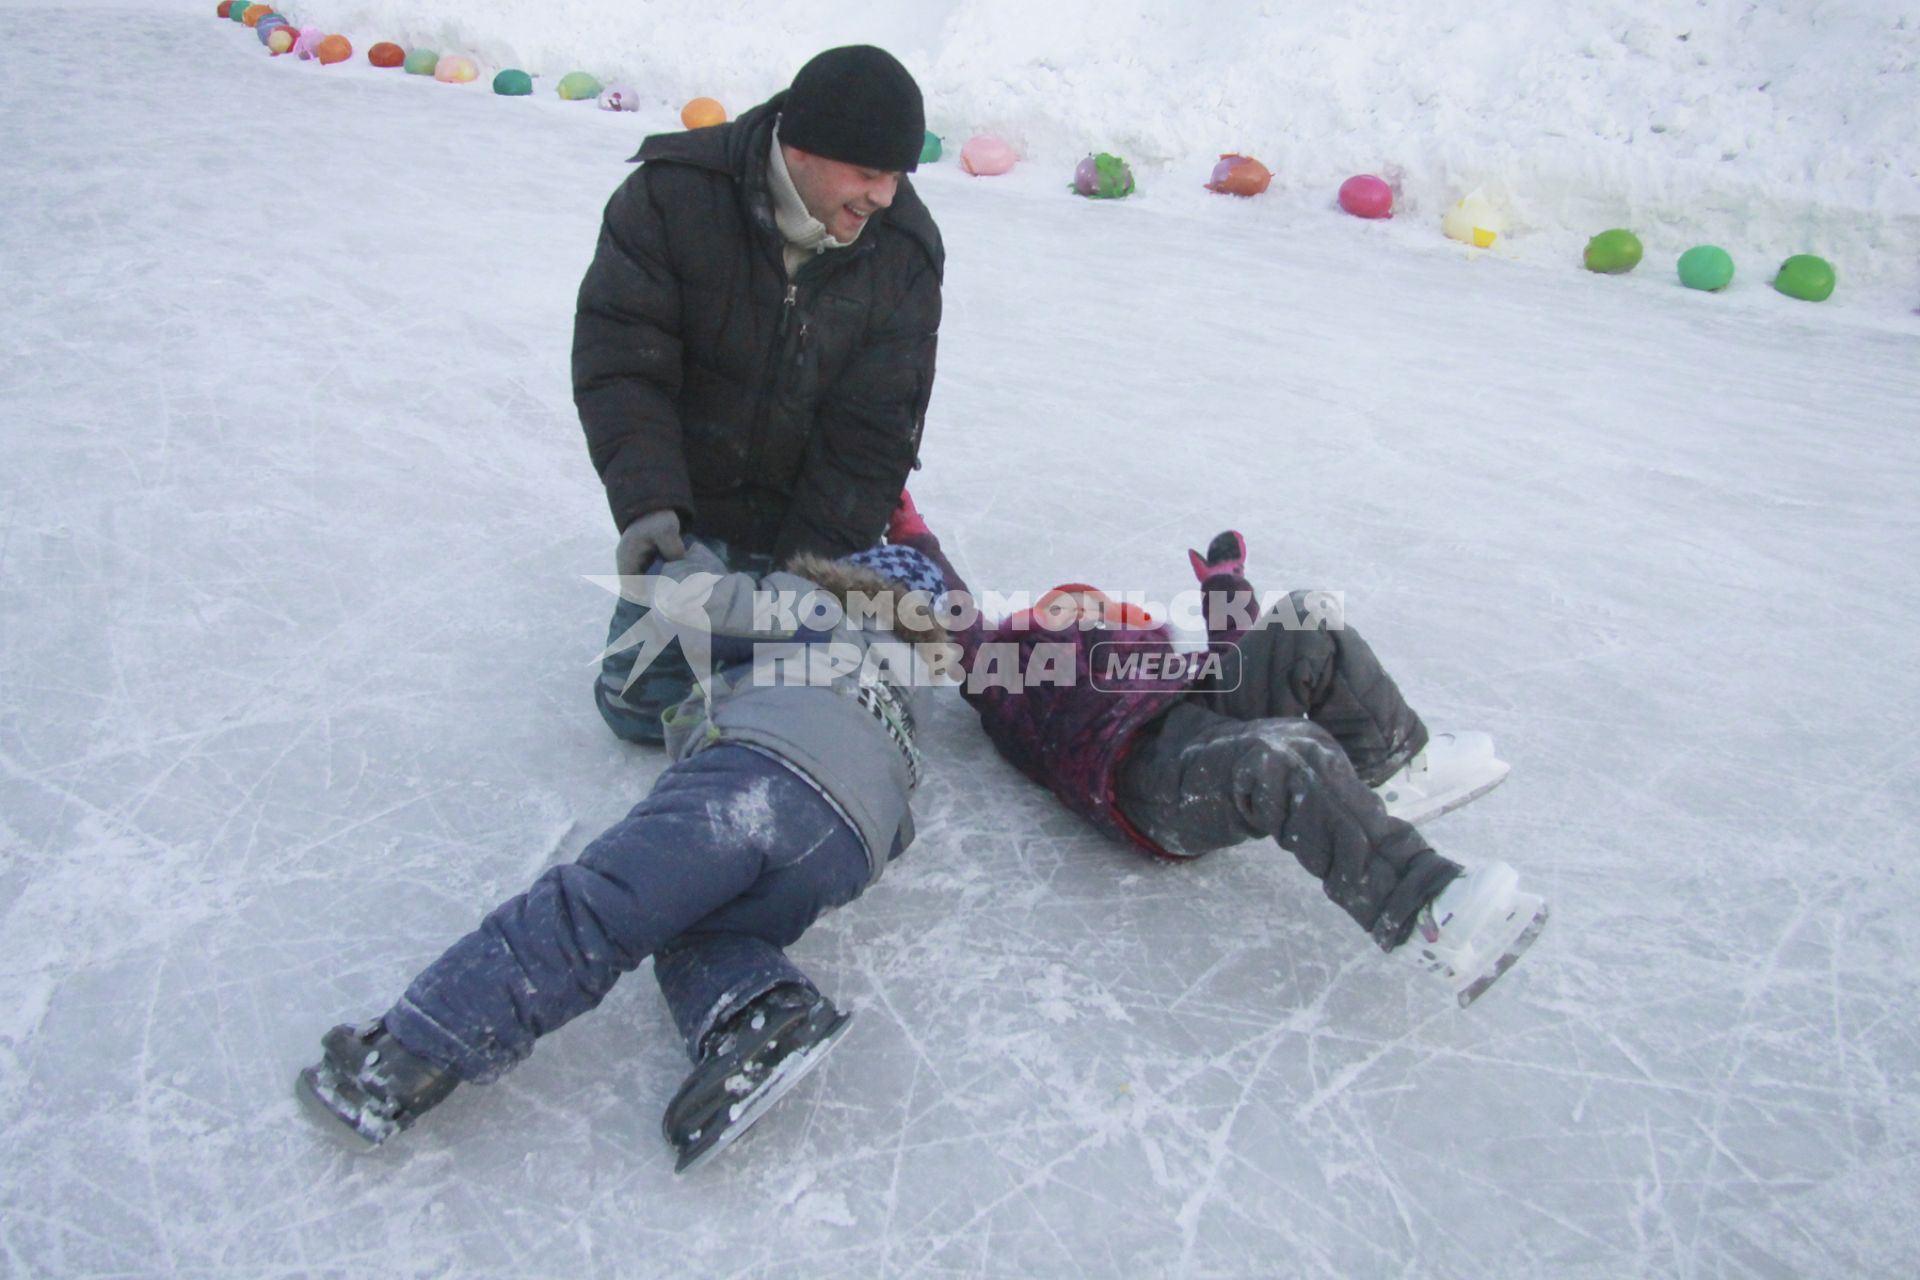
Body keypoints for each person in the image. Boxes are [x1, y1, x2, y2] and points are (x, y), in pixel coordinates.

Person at [297, 541, 953, 1171]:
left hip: (757, 778)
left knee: (598, 910)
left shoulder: (816, 604)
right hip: (845, 850)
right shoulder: (907, 696)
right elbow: (901, 828)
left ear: (856, 579)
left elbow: (709, 604)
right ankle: (759, 1017)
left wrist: (682, 556)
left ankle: (407, 1055)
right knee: (703, 931)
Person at [888, 493, 1548, 1006]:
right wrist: (914, 535)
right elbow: (955, 620)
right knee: (1284, 754)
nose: (1084, 606)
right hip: (1138, 771)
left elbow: (1235, 650)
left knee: (1306, 619)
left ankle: (1395, 766)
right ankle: (1425, 908)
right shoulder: (1011, 665)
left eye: (1095, 602)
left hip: (1198, 713)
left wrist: (1225, 584)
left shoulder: (1155, 650)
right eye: (1065, 603)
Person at [574, 44, 944, 744]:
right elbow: (624, 364)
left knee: (785, 718)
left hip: (805, 524)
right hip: (692, 512)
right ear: (802, 149)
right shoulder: (671, 196)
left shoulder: (903, 251)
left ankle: (892, 563)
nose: (885, 197)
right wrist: (654, 512)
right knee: (637, 711)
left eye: (897, 175)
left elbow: (875, 430)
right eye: (868, 173)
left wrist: (813, 575)